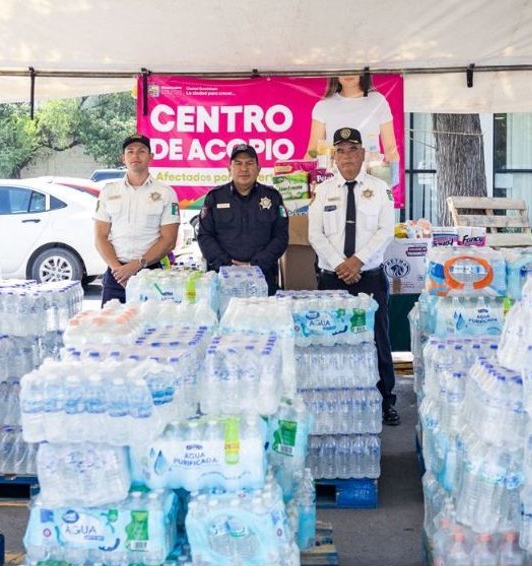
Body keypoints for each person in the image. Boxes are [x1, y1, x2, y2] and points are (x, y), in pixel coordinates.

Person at [308, 127, 399, 426]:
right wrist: (340, 265)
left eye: (352, 150)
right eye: (341, 151)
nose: (347, 157)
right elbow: (315, 235)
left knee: (377, 340)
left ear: (363, 154)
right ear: (334, 156)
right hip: (332, 279)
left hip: (369, 276)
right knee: (331, 341)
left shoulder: (380, 189)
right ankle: (332, 400)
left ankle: (386, 401)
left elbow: (385, 231)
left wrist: (357, 262)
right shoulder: (323, 191)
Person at [94, 134, 180, 305]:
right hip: (116, 275)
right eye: (130, 151)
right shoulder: (108, 191)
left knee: (151, 328)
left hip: (151, 274)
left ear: (151, 157)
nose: (135, 156)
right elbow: (100, 237)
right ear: (123, 158)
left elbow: (169, 240)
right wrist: (119, 270)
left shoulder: (165, 193)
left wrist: (137, 265)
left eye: (141, 151)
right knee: (110, 328)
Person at [196, 143, 289, 294]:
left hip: (263, 276)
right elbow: (205, 236)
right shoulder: (215, 197)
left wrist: (256, 264)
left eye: (249, 163)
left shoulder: (272, 197)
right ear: (229, 169)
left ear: (258, 169)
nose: (244, 168)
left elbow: (281, 236)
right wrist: (227, 265)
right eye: (238, 163)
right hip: (223, 278)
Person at [307, 76, 400, 168]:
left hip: (370, 177)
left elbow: (390, 149)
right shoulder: (323, 106)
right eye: (343, 69)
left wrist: (391, 179)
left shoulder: (378, 101)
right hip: (335, 177)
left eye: (353, 68)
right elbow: (313, 152)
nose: (349, 74)